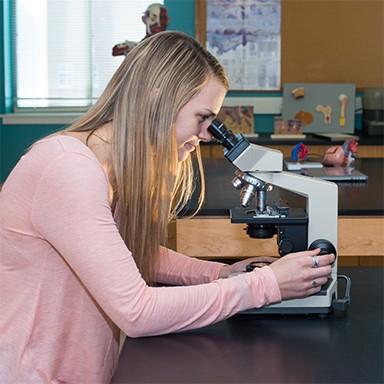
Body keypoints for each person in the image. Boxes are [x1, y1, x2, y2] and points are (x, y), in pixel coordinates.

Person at [0, 31, 335, 383]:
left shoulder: (107, 166)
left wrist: (220, 274)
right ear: (158, 99)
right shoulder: (67, 168)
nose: (207, 135)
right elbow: (138, 311)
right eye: (203, 118)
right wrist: (266, 285)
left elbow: (126, 255)